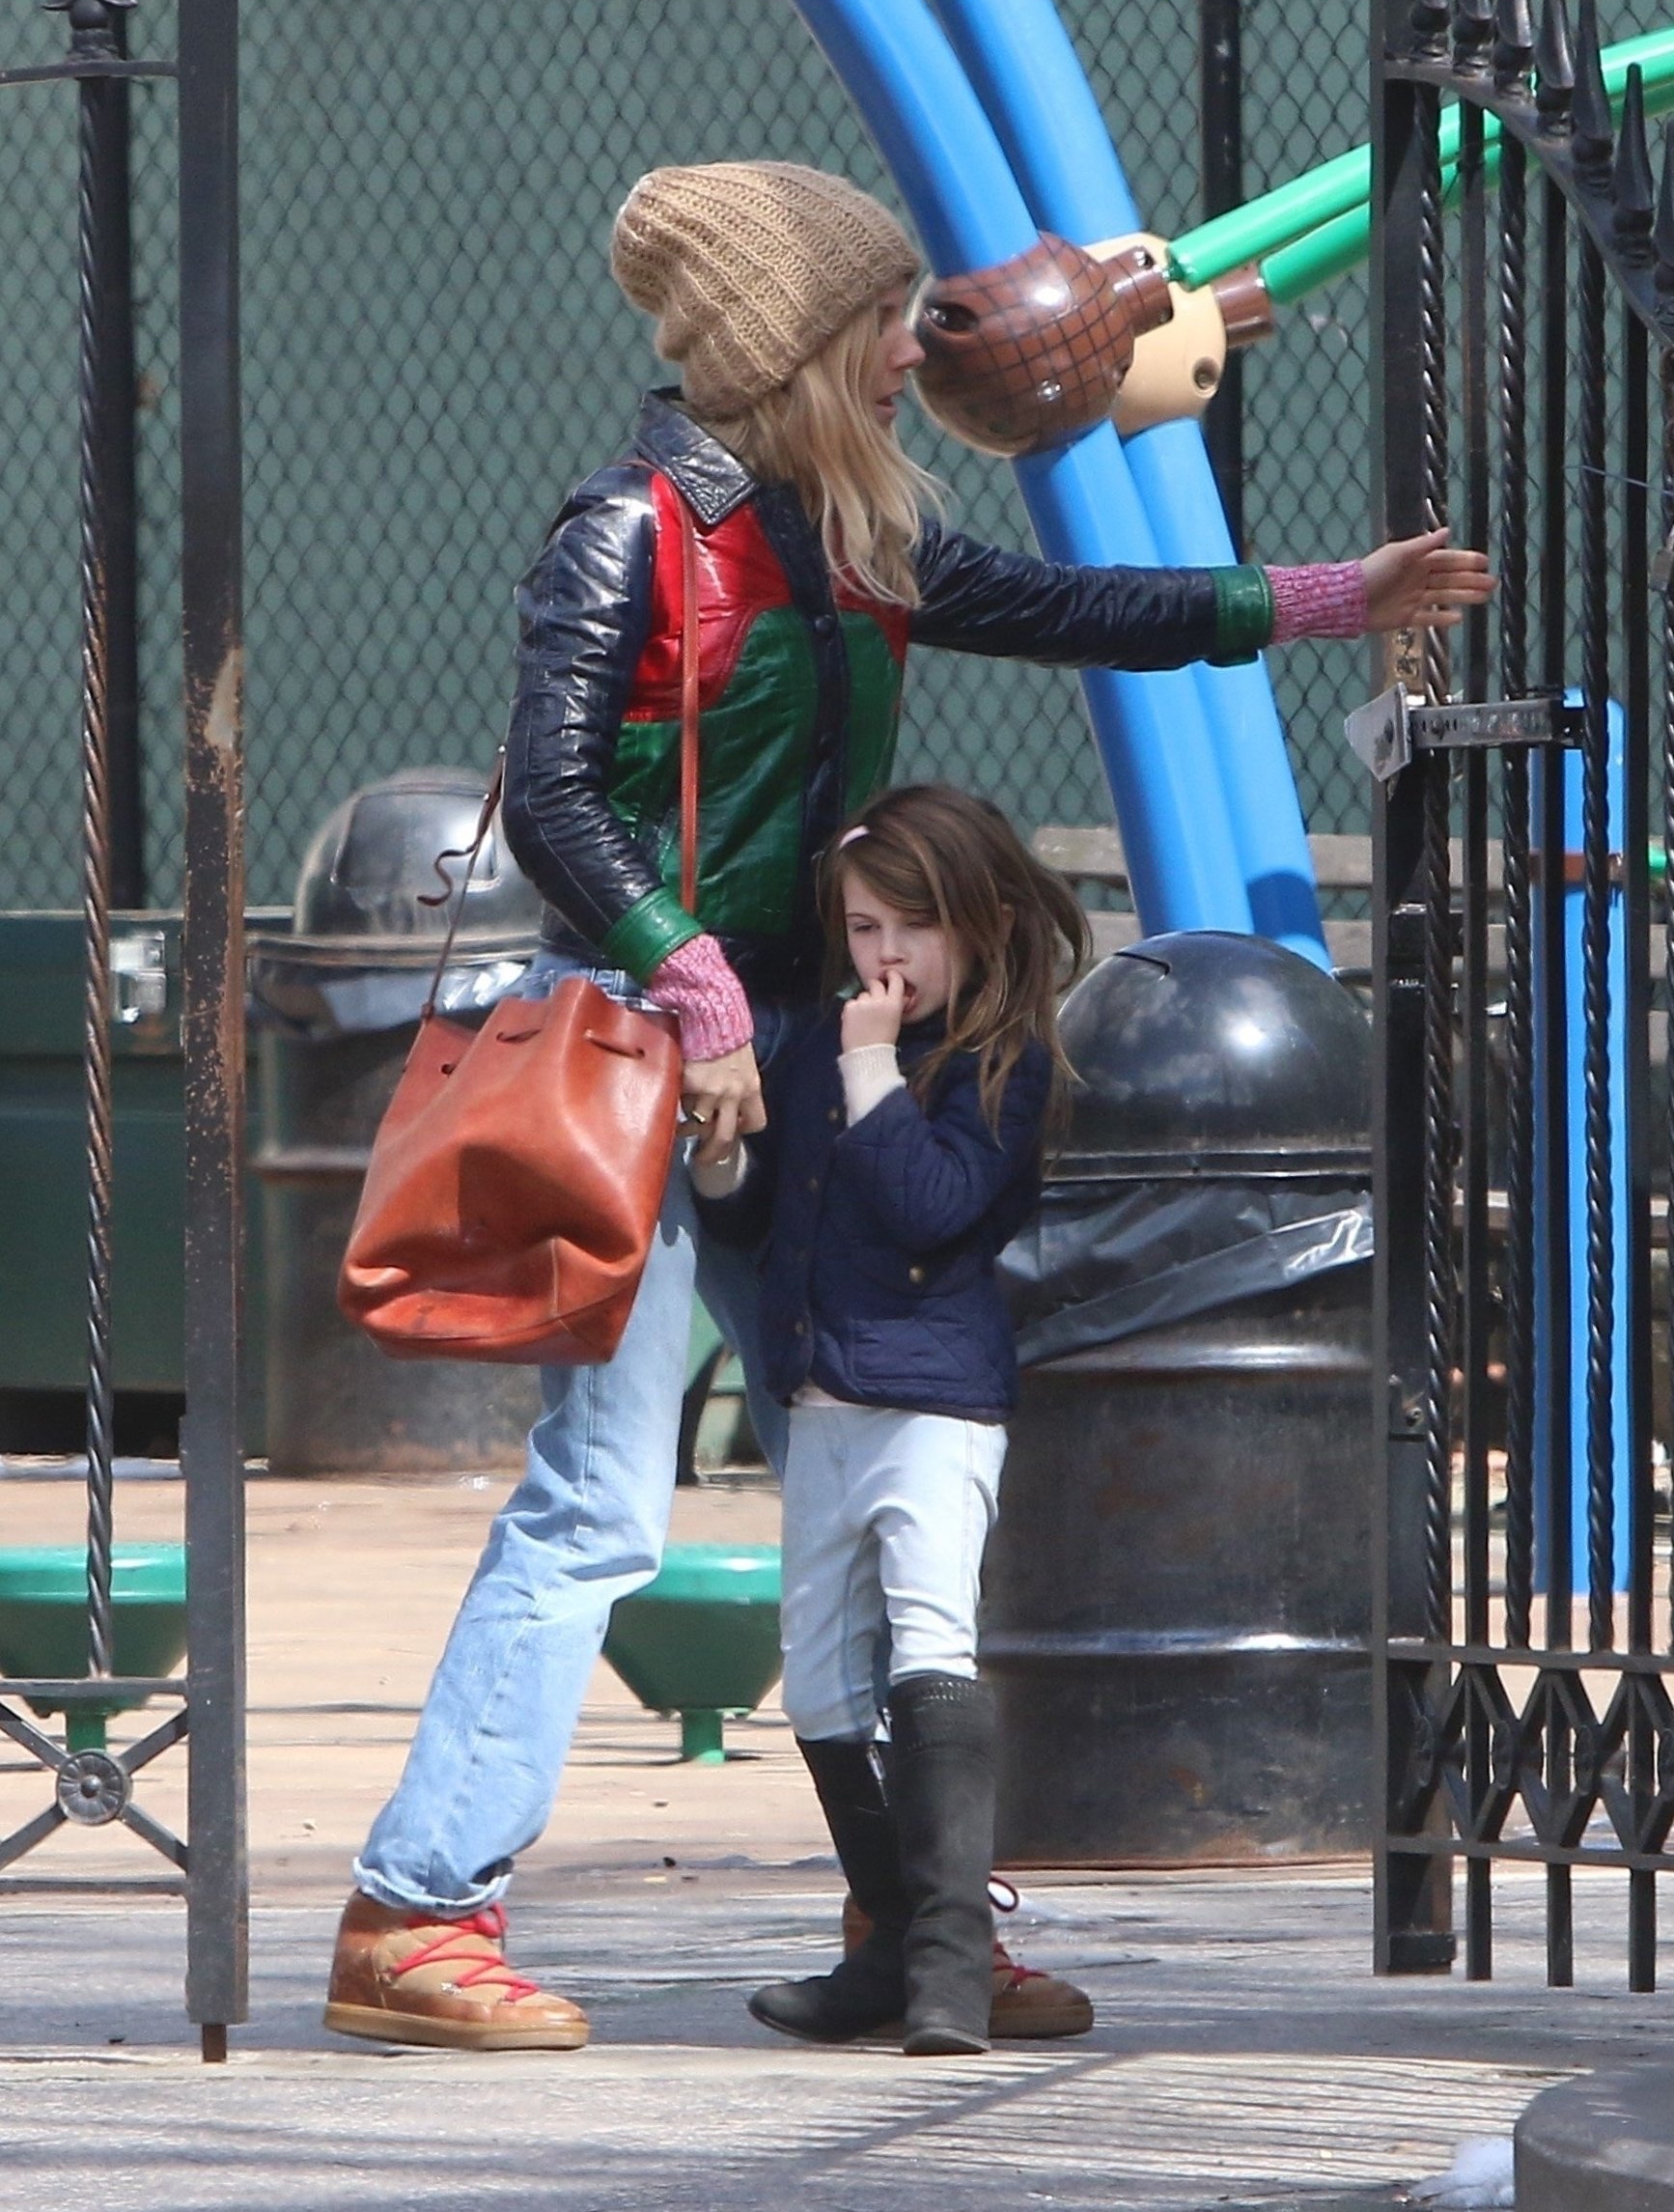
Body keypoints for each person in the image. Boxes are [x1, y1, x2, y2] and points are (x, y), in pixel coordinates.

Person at [323, 158, 1492, 2054]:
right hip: (630, 1055)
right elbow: (549, 798)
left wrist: (1321, 600)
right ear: (791, 337)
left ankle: (919, 1924)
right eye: (880, 314)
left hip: (794, 1064)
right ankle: (415, 1911)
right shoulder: (631, 529)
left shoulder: (849, 526)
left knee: (867, 1466)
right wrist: (691, 976)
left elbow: (1070, 603)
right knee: (600, 1498)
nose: (908, 347)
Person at [692, 784, 1088, 2055]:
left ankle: (951, 1968)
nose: (884, 958)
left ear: (980, 924)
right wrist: (720, 1159)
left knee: (929, 1648)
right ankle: (889, 1942)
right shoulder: (820, 1044)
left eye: (911, 928)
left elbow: (930, 1205)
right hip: (821, 1400)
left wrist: (869, 1066)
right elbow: (761, 1214)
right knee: (816, 1678)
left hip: (934, 1408)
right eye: (863, 928)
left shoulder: (1001, 1066)